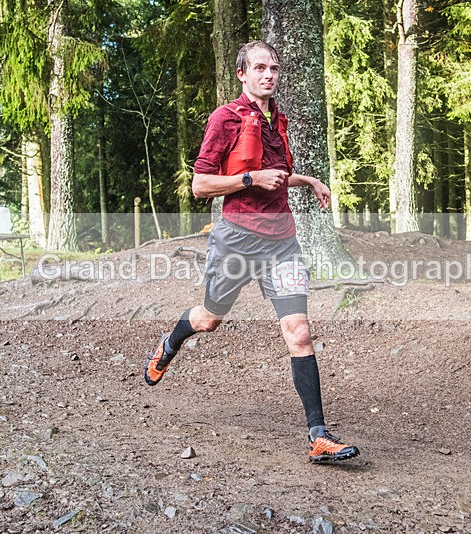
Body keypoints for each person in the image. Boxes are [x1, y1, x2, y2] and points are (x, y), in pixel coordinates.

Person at [144, 40, 359, 463]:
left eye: (274, 68)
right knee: (208, 320)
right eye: (260, 68)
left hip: (282, 242)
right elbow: (201, 186)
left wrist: (308, 181)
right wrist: (248, 180)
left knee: (299, 331)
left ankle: (318, 435)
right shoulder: (224, 119)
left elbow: (275, 175)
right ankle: (170, 343)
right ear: (242, 74)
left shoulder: (278, 119)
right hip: (236, 240)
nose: (269, 75)